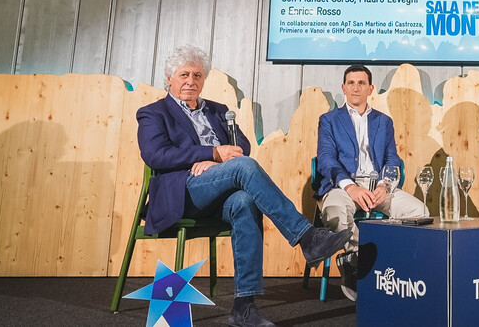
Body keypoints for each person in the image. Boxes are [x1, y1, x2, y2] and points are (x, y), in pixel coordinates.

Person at [136, 45, 351, 327]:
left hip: (218, 189)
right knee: (244, 167)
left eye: (198, 75)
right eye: (184, 74)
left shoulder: (218, 110)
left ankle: (244, 308)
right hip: (182, 193)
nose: (191, 81)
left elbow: (242, 147)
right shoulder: (153, 112)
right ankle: (307, 237)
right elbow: (155, 155)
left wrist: (220, 164)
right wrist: (210, 154)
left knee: (245, 202)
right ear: (169, 78)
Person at [315, 64, 429, 300]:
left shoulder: (383, 121)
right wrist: (352, 187)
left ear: (371, 89)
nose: (356, 87)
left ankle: (388, 263)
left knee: (420, 212)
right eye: (351, 83)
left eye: (362, 83)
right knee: (335, 214)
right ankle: (356, 259)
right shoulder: (329, 120)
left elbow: (392, 158)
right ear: (343, 88)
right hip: (342, 186)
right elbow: (326, 159)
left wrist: (384, 186)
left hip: (378, 186)